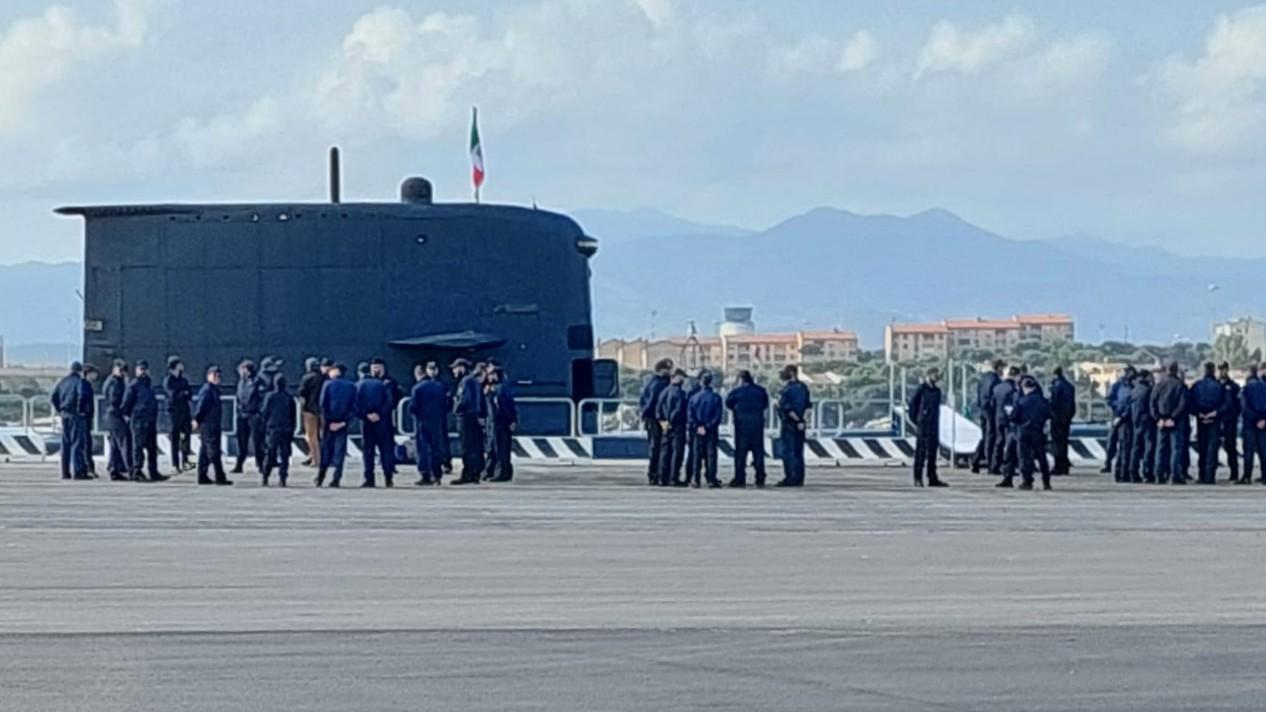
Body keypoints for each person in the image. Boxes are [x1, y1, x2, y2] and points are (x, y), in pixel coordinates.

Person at [121, 360, 167, 482]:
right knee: (138, 447)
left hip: (150, 420)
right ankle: (137, 471)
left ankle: (153, 471)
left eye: (145, 369)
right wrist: (127, 415)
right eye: (141, 369)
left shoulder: (149, 384)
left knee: (152, 448)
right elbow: (126, 403)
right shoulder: (134, 385)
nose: (143, 372)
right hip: (138, 421)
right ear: (136, 371)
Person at [725, 370, 769, 488]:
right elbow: (765, 404)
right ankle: (760, 478)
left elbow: (728, 403)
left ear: (741, 379)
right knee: (758, 452)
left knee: (740, 453)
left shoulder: (736, 392)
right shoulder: (761, 391)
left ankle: (740, 478)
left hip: (741, 425)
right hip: (757, 425)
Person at [355, 362, 395, 488]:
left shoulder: (358, 386)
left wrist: (366, 415)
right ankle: (388, 478)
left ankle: (369, 478)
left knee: (368, 451)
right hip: (382, 422)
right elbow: (389, 402)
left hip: (367, 423)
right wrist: (379, 414)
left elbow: (355, 405)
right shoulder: (381, 385)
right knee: (385, 450)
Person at [317, 363, 356, 488]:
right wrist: (344, 422)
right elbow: (354, 407)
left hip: (329, 423)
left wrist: (326, 422)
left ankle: (320, 477)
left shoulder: (327, 384)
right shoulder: (352, 386)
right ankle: (336, 478)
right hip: (343, 423)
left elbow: (323, 405)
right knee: (340, 452)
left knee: (326, 451)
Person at [907, 368, 949, 488]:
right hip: (923, 425)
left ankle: (932, 477)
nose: (936, 377)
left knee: (932, 452)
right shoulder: (921, 390)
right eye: (935, 374)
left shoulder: (937, 391)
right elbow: (912, 408)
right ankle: (918, 477)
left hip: (934, 425)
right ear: (929, 375)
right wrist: (918, 421)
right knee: (921, 452)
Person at [1010, 376, 1053, 490]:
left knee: (1024, 457)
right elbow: (1048, 414)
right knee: (1041, 457)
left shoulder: (1021, 401)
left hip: (1023, 432)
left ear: (1024, 387)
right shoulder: (1042, 401)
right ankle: (1046, 481)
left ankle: (1027, 481)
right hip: (1038, 432)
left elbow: (1013, 417)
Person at [409, 362, 448, 486]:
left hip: (422, 421)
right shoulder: (440, 386)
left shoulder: (417, 388)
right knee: (436, 447)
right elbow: (446, 404)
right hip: (437, 421)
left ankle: (425, 474)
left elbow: (412, 407)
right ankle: (437, 474)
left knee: (423, 448)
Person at [50, 361, 91, 481]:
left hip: (64, 414)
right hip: (75, 415)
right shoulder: (79, 382)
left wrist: (60, 409)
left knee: (66, 443)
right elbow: (81, 396)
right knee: (77, 443)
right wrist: (81, 410)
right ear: (80, 371)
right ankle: (78, 472)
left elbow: (54, 397)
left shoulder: (62, 382)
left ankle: (65, 472)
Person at [1150, 361, 1189, 485]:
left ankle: (1158, 475)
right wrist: (1172, 418)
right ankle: (1174, 475)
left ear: (1166, 370)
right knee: (1176, 449)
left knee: (1160, 449)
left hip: (1161, 421)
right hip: (1176, 422)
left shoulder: (1159, 385)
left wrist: (1158, 419)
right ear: (1176, 370)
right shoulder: (1180, 386)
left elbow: (1152, 403)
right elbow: (1182, 404)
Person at [192, 365, 232, 486]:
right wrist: (196, 418)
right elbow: (201, 406)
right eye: (214, 375)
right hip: (209, 424)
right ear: (208, 376)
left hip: (212, 423)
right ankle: (219, 476)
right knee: (214, 451)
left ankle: (202, 475)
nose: (217, 378)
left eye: (218, 375)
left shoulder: (213, 390)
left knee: (204, 450)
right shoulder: (207, 390)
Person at [1190, 361, 1226, 485]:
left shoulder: (1196, 386)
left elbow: (1190, 402)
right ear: (1213, 371)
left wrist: (1199, 413)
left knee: (1202, 447)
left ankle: (1201, 475)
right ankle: (1210, 476)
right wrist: (1215, 413)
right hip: (1214, 420)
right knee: (1212, 448)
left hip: (1200, 420)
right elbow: (1227, 404)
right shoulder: (1219, 386)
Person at [451, 359, 487, 485]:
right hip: (475, 417)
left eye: (455, 368)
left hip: (466, 417)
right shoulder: (476, 382)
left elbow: (463, 399)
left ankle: (468, 474)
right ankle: (476, 473)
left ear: (461, 367)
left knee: (466, 447)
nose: (453, 371)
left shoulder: (465, 381)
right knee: (476, 446)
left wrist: (455, 408)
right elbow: (482, 401)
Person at [638, 359, 673, 486]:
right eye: (667, 369)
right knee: (658, 446)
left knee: (658, 446)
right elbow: (652, 401)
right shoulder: (659, 384)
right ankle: (655, 474)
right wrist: (646, 413)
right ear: (661, 369)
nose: (669, 371)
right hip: (656, 419)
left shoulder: (652, 382)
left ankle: (657, 474)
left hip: (654, 418)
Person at [776, 365, 811, 487]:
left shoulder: (786, 390)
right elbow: (808, 407)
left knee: (788, 452)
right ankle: (799, 478)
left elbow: (786, 408)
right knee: (798, 451)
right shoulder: (804, 387)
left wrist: (796, 420)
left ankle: (790, 477)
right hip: (800, 425)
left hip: (789, 424)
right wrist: (802, 421)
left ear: (791, 373)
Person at [687, 371, 723, 488]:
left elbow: (690, 415)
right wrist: (708, 426)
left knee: (696, 455)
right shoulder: (716, 398)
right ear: (711, 382)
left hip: (697, 431)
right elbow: (717, 416)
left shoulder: (693, 398)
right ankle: (711, 479)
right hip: (711, 431)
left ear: (701, 383)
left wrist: (698, 426)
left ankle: (695, 479)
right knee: (711, 455)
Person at [484, 367, 518, 482]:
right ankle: (506, 472)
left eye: (490, 375)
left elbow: (504, 407)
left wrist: (511, 420)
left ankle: (500, 473)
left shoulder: (499, 389)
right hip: (501, 422)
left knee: (500, 449)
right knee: (503, 448)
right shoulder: (503, 388)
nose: (488, 377)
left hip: (499, 422)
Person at [656, 369, 689, 487]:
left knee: (665, 451)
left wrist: (663, 422)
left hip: (665, 426)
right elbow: (679, 409)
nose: (683, 380)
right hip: (677, 426)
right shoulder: (680, 393)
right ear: (676, 377)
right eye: (682, 377)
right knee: (677, 452)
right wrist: (672, 421)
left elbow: (658, 409)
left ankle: (661, 477)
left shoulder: (664, 392)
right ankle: (673, 477)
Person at [261, 374, 295, 487]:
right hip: (286, 429)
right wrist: (292, 429)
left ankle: (265, 477)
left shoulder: (269, 396)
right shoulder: (289, 397)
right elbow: (293, 416)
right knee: (284, 456)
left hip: (273, 429)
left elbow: (264, 412)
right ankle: (282, 478)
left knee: (270, 453)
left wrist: (264, 427)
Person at [233, 360, 266, 474]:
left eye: (243, 369)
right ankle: (239, 464)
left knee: (258, 441)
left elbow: (262, 398)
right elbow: (238, 397)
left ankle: (261, 464)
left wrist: (259, 412)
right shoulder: (241, 382)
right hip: (242, 414)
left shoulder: (257, 381)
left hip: (254, 414)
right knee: (241, 440)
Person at [1102, 366, 1137, 474]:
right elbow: (1109, 399)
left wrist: (1124, 413)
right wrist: (1117, 408)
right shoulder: (1117, 386)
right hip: (1116, 416)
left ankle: (1123, 466)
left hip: (1127, 419)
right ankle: (1108, 463)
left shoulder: (1134, 386)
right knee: (1111, 441)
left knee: (1125, 443)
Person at [972, 360, 1004, 474]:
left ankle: (975, 461)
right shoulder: (994, 379)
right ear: (998, 367)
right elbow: (993, 396)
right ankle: (992, 464)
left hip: (983, 410)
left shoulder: (983, 378)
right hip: (991, 411)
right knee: (991, 437)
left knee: (986, 437)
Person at [102, 359, 132, 481]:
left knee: (115, 443)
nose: (123, 373)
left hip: (111, 415)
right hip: (115, 415)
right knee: (124, 441)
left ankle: (114, 468)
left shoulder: (112, 381)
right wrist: (123, 411)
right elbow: (115, 401)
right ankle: (129, 468)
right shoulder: (115, 383)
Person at [163, 356, 193, 472]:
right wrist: (182, 394)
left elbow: (189, 394)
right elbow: (172, 395)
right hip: (173, 413)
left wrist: (183, 394)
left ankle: (185, 460)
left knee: (186, 435)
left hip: (184, 411)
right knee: (175, 438)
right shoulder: (168, 381)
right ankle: (175, 464)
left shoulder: (183, 380)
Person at [991, 366, 1020, 482]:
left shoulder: (997, 388)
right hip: (1009, 419)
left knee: (998, 442)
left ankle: (995, 465)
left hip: (998, 417)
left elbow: (992, 403)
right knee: (1010, 445)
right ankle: (1008, 468)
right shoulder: (1013, 389)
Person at [1128, 370, 1157, 483]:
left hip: (1136, 422)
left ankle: (1133, 471)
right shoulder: (1148, 390)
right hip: (1147, 422)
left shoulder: (1134, 390)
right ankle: (1147, 472)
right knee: (1148, 448)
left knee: (1135, 448)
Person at [1048, 366, 1076, 476]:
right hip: (1067, 418)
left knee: (1057, 443)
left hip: (1057, 418)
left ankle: (1058, 466)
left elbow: (1053, 402)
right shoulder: (1069, 386)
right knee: (1064, 442)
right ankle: (1065, 466)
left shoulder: (1056, 386)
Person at [1110, 368, 1136, 483]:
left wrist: (1118, 413)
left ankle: (1119, 472)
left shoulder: (1120, 388)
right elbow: (1130, 406)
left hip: (1119, 418)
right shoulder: (1129, 389)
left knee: (1122, 447)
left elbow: (1111, 400)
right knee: (1126, 447)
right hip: (1126, 420)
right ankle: (1123, 473)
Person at [298, 357, 325, 468]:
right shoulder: (324, 378)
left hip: (309, 410)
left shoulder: (307, 378)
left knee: (311, 436)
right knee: (322, 435)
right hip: (323, 410)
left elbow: (302, 393)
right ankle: (314, 456)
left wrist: (302, 409)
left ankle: (315, 460)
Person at [1218, 362, 1242, 483]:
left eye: (1224, 369)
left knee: (1230, 447)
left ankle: (1234, 473)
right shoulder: (1216, 385)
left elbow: (1238, 406)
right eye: (1220, 369)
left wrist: (1233, 417)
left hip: (1229, 422)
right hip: (1216, 421)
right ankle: (1208, 473)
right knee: (1212, 448)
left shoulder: (1234, 386)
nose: (1222, 372)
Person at [1242, 365, 1266, 485]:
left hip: (1250, 425)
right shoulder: (1264, 386)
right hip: (1263, 425)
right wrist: (1263, 420)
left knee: (1248, 451)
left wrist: (1254, 420)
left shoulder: (1246, 388)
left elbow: (1245, 407)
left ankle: (1247, 476)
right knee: (1264, 451)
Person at [80, 365, 99, 478]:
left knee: (87, 444)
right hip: (84, 418)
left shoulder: (86, 385)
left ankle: (88, 468)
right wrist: (83, 412)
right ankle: (88, 468)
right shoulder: (84, 385)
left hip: (87, 418)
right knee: (86, 444)